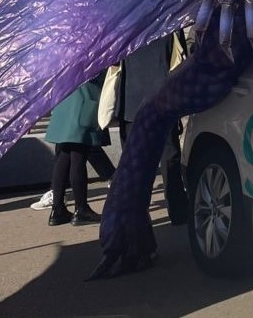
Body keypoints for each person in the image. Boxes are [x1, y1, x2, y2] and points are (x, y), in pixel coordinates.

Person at [117, 33, 188, 225]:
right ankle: (177, 209)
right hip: (162, 100)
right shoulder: (171, 24)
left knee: (135, 164)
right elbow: (182, 62)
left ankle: (134, 214)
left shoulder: (127, 26)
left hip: (131, 103)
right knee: (169, 157)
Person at [44, 74, 108, 225]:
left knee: (63, 156)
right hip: (83, 101)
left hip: (64, 101)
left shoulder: (62, 52)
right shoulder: (91, 51)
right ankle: (81, 209)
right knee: (78, 157)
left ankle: (57, 209)